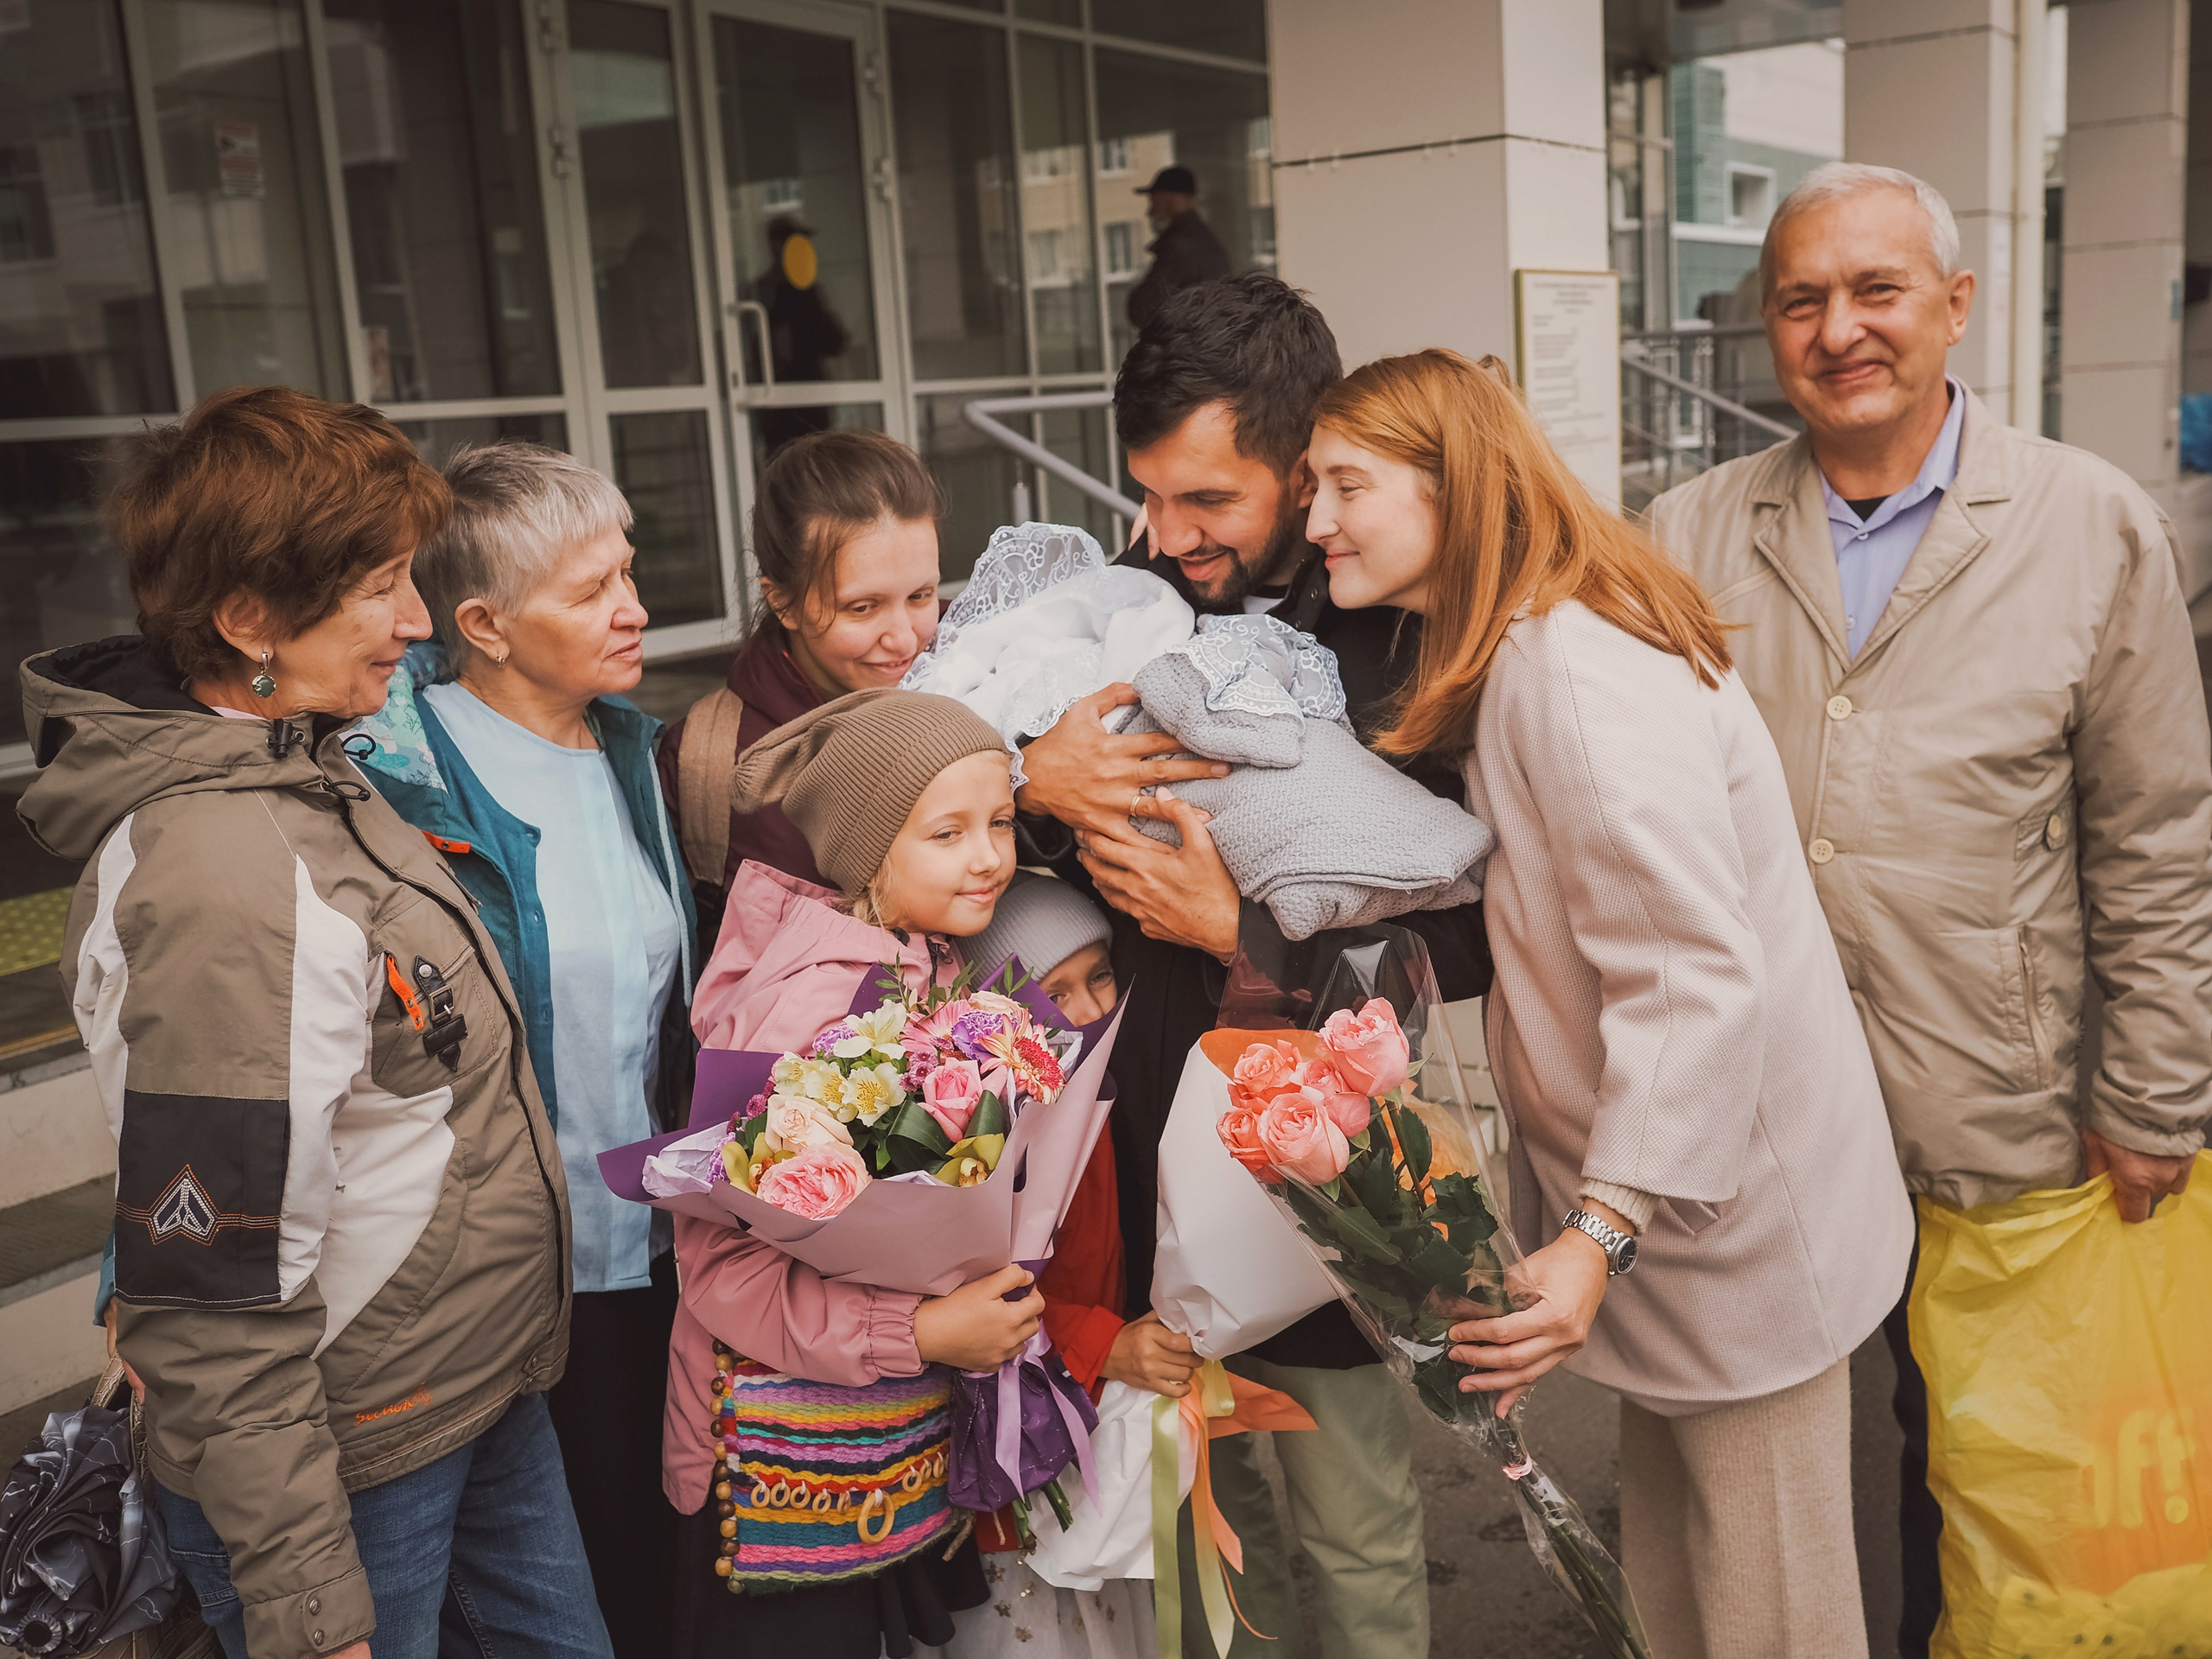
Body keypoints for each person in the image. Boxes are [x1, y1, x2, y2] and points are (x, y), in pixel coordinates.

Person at [1645, 161, 2212, 1656]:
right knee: (1779, 1476)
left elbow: (2156, 838)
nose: (1842, 329)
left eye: (1878, 290)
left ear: (1956, 307)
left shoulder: (2093, 528)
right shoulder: (1687, 537)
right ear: (1768, 328)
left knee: (1990, 1469)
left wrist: (2153, 1091)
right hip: (1768, 1122)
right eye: (1803, 299)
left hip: (2001, 1101)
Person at [1305, 346, 1912, 1659]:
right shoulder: (1540, 633)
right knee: (1692, 1589)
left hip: (1726, 1233)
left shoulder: (1575, 674)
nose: (1316, 521)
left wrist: (1599, 1236)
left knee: (1772, 1611)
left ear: (1451, 483)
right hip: (1691, 1231)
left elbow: (1694, 977)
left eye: (1346, 483)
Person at [16, 387, 606, 1659]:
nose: (415, 620)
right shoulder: (226, 880)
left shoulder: (303, 770)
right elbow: (211, 1294)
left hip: (461, 1393)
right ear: (248, 620)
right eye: (381, 585)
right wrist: (307, 1614)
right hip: (357, 1453)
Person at [1014, 271, 1491, 1659]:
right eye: (1150, 499)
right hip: (1130, 1135)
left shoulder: (1408, 645)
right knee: (1196, 1518)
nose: (1171, 538)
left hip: (1307, 1142)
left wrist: (1240, 932)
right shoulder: (1130, 602)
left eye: (1208, 504)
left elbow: (1467, 939)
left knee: (1346, 1518)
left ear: (1306, 471)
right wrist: (1033, 773)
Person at [349, 442, 695, 1659]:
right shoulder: (400, 779)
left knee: (652, 1584)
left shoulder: (642, 757)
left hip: (648, 1264)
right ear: (484, 622)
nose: (634, 608)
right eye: (590, 589)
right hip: (487, 1287)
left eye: (630, 572)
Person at [666, 689, 1082, 1657]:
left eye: (1000, 823)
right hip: (782, 1476)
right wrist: (923, 1326)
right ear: (864, 849)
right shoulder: (801, 1008)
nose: (987, 856)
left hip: (884, 1446)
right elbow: (721, 1273)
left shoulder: (925, 965)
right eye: (947, 832)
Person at [944, 869, 1144, 1656]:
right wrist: (1105, 1342)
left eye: (1101, 976)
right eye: (1060, 991)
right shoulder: (999, 1133)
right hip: (1025, 1425)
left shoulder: (1098, 1089)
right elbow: (987, 1294)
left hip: (1086, 1410)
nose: (1095, 1006)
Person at [658, 428, 943, 952]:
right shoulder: (709, 761)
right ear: (783, 602)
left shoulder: (992, 690)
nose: (905, 638)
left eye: (922, 595)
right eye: (863, 607)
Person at [1125, 165, 1230, 334]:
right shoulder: (1201, 240)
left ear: (1172, 201)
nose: (1150, 212)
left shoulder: (1180, 247)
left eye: (1154, 202)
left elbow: (1143, 309)